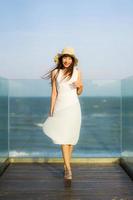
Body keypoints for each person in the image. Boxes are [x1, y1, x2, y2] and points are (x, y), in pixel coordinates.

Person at [41, 47, 83, 181]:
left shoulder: (77, 72)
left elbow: (79, 92)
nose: (67, 60)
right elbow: (54, 93)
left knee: (71, 140)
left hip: (74, 107)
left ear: (72, 60)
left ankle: (66, 165)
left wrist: (80, 86)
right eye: (65, 57)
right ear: (61, 58)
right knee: (64, 139)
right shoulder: (55, 72)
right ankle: (68, 169)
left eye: (69, 58)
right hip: (60, 108)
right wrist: (51, 110)